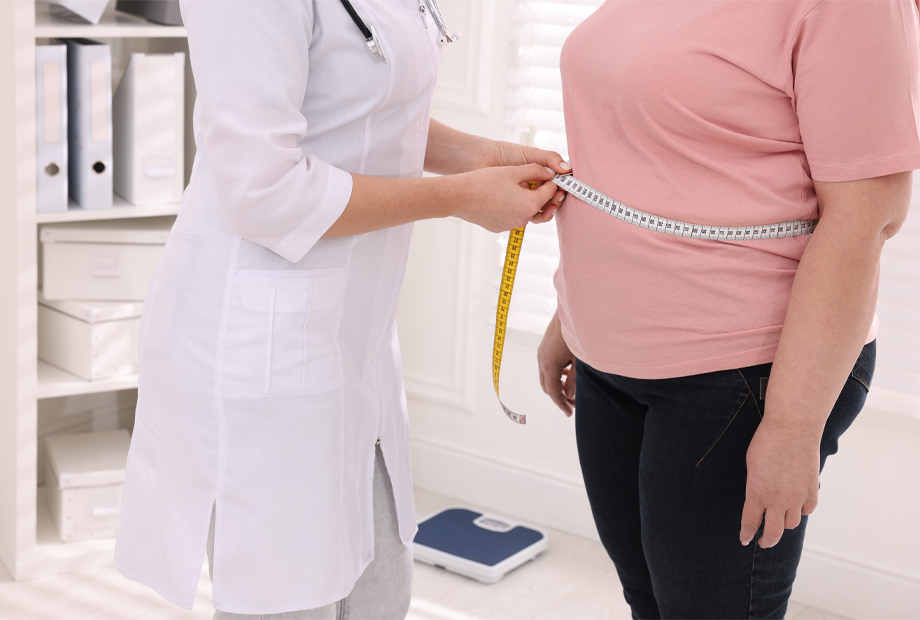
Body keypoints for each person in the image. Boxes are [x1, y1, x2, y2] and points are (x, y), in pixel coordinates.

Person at [113, 0, 569, 618]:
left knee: (380, 591)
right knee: (288, 600)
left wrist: (478, 156)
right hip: (264, 341)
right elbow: (264, 192)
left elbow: (360, 100)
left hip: (354, 335)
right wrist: (458, 197)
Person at [537, 1, 919, 618]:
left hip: (741, 374)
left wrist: (792, 428)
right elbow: (640, 156)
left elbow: (866, 217)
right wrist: (570, 312)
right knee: (648, 603)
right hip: (608, 357)